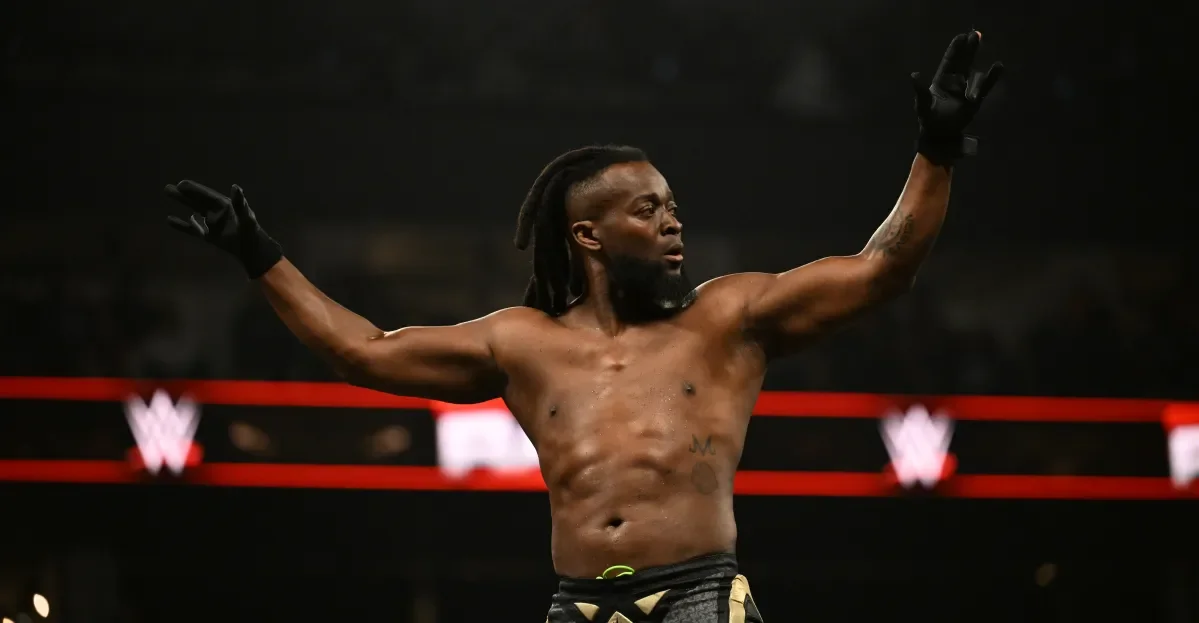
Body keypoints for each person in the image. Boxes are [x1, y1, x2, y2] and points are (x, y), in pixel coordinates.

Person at [164, 30, 1002, 623]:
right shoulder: (522, 342)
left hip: (701, 594)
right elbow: (362, 350)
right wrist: (260, 255)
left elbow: (881, 268)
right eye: (648, 209)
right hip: (580, 605)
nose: (673, 221)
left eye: (673, 206)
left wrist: (934, 149)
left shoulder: (729, 317)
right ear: (589, 236)